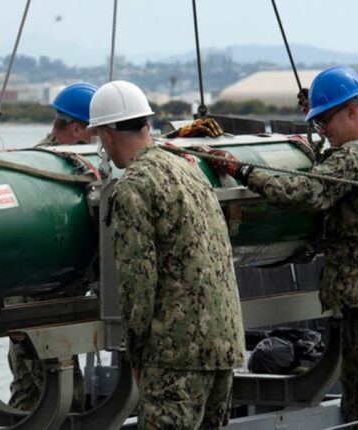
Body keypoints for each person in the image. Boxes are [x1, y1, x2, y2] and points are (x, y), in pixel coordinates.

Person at [208, 66, 358, 428]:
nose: (322, 129)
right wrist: (321, 127)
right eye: (317, 124)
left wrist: (240, 170)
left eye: (325, 120)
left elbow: (304, 192)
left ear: (352, 111)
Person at [89, 80, 245, 429]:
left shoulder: (135, 186)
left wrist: (137, 354)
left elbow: (137, 282)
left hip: (176, 353)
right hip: (223, 344)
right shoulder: (188, 170)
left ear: (108, 135)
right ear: (145, 124)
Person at [5, 82, 97, 413]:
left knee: (69, 395)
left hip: (61, 302)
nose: (99, 141)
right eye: (95, 131)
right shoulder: (40, 167)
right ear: (75, 129)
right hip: (36, 304)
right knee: (35, 399)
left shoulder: (69, 163)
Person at [35, 82, 97, 147]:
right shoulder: (47, 154)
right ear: (76, 129)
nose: (102, 139)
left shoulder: (43, 151)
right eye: (96, 132)